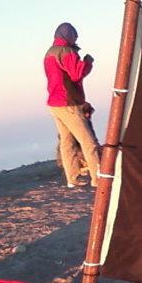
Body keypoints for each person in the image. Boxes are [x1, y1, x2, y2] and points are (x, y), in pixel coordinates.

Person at [44, 22, 100, 188]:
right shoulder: (66, 51)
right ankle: (98, 178)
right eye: (75, 36)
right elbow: (76, 74)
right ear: (70, 36)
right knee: (88, 141)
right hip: (68, 103)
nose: (76, 39)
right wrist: (88, 62)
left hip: (55, 104)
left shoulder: (49, 53)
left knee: (67, 142)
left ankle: (72, 179)